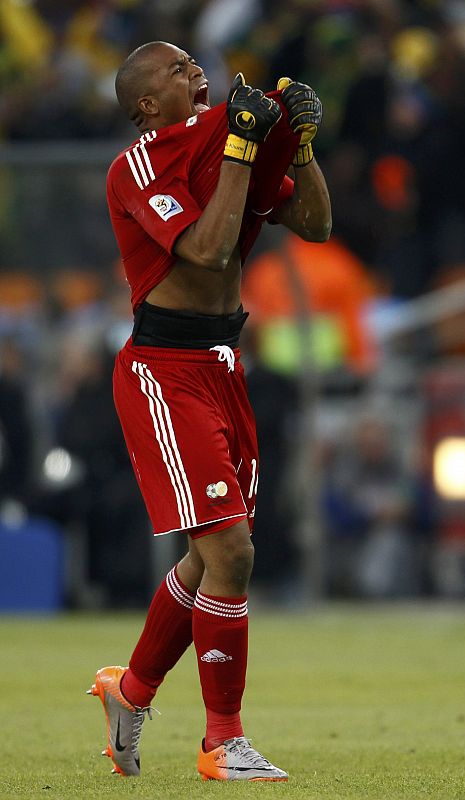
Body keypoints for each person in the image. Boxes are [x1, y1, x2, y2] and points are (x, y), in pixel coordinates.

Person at [87, 40, 331, 782]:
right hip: (164, 371)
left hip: (223, 363)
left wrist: (301, 147)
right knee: (231, 553)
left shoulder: (222, 148)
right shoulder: (137, 166)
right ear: (145, 106)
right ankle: (221, 741)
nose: (195, 71)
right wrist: (236, 147)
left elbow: (316, 225)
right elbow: (206, 250)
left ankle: (128, 691)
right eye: (174, 69)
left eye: (195, 62)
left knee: (207, 557)